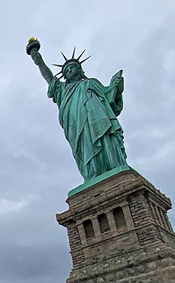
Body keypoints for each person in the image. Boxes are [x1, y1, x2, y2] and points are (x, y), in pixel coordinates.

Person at [27, 40, 129, 182]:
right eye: (66, 71)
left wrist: (116, 87)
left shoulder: (91, 83)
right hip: (77, 125)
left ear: (80, 70)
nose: (69, 71)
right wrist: (38, 61)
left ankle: (114, 166)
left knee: (107, 140)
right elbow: (49, 78)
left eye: (72, 68)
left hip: (100, 121)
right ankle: (92, 175)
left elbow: (110, 99)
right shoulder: (63, 90)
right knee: (85, 148)